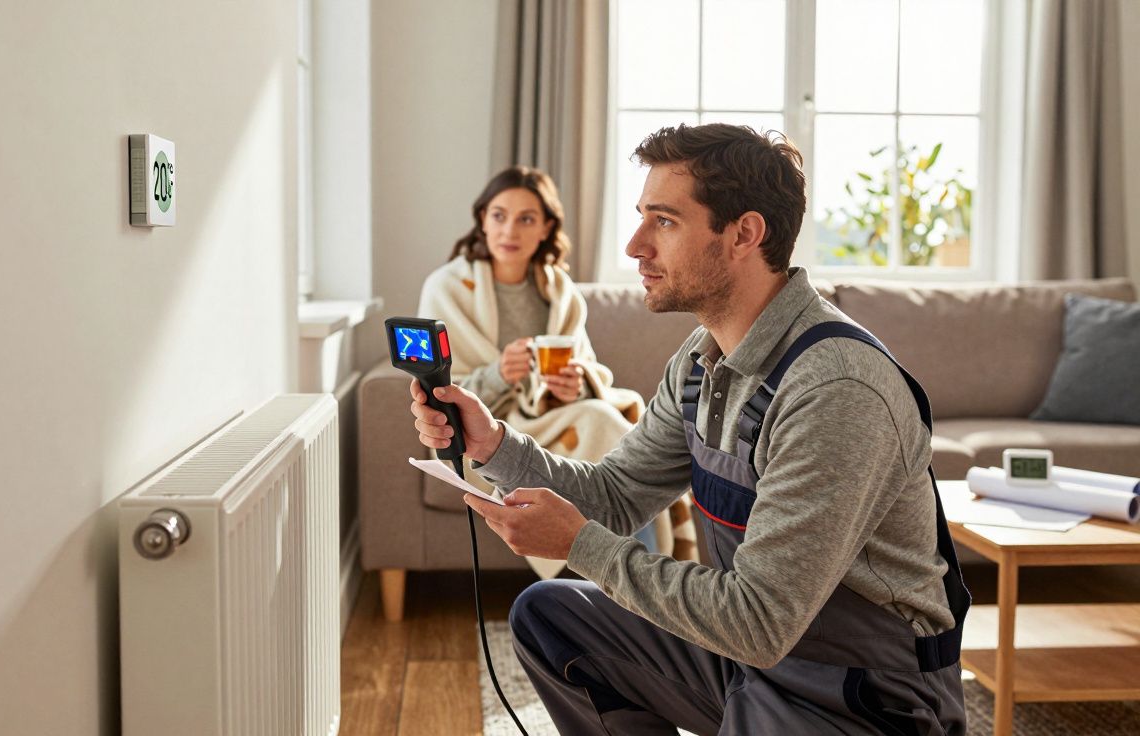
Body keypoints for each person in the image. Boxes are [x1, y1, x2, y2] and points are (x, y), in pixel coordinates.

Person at [407, 124, 970, 734]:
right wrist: (493, 443)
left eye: (664, 221)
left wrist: (579, 544)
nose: (634, 245)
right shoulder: (702, 365)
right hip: (753, 663)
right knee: (551, 617)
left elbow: (759, 620)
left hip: (860, 694)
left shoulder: (835, 389)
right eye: (641, 218)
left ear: (743, 234)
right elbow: (616, 497)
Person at [419, 165, 696, 578]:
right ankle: (645, 579)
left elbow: (586, 370)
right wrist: (498, 374)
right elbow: (438, 391)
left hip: (557, 415)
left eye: (526, 218)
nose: (509, 230)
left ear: (546, 227)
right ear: (482, 220)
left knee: (601, 420)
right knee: (604, 424)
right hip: (492, 424)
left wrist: (575, 385)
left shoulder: (558, 290)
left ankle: (634, 582)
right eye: (499, 215)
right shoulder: (447, 288)